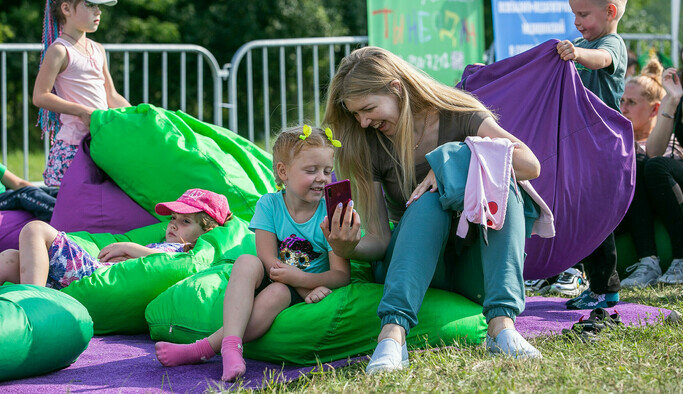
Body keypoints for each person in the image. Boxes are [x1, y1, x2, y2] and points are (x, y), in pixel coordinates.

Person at [323, 45, 542, 373]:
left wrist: (449, 164)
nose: (364, 121)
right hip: (415, 268)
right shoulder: (368, 142)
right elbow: (381, 240)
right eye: (356, 115)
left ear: (396, 88)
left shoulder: (458, 113)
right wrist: (348, 246)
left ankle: (502, 329)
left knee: (503, 177)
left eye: (368, 108)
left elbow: (529, 163)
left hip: (474, 267)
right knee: (428, 200)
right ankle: (393, 337)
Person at [154, 126, 351, 381]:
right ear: (283, 172)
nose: (322, 178)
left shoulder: (330, 212)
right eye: (311, 170)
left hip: (300, 287)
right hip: (283, 277)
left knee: (278, 293)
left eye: (327, 170)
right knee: (247, 260)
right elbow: (268, 260)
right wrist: (300, 284)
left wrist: (302, 283)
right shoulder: (269, 204)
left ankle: (205, 348)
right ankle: (231, 348)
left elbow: (341, 275)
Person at [0, 188, 230, 288]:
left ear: (204, 231)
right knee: (11, 258)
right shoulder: (163, 241)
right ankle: (35, 291)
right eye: (173, 217)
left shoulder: (186, 252)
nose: (173, 224)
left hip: (95, 274)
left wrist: (129, 247)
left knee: (36, 229)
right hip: (93, 271)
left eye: (185, 221)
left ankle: (34, 301)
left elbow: (169, 263)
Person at [556, 0, 628, 310]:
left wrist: (578, 54)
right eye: (574, 13)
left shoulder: (609, 44)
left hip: (603, 149)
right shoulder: (583, 43)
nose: (576, 21)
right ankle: (593, 284)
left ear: (610, 12)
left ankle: (606, 289)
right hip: (582, 148)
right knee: (583, 219)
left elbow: (601, 59)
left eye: (583, 14)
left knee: (598, 222)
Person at [33, 0, 130, 187]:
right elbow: (40, 95)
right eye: (90, 5)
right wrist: (81, 111)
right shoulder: (59, 50)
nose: (98, 11)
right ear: (67, 8)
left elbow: (111, 95)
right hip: (73, 147)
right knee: (70, 211)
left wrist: (138, 115)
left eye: (98, 6)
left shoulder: (98, 49)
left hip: (100, 144)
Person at [616, 58, 683, 288]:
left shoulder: (670, 143)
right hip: (616, 212)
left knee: (638, 161)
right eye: (622, 101)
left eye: (631, 102)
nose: (623, 108)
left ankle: (650, 260)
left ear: (655, 109)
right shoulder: (615, 141)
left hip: (652, 212)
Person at [640, 21, 683, 284]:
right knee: (641, 163)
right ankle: (647, 262)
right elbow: (654, 151)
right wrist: (672, 100)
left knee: (657, 166)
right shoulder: (680, 94)